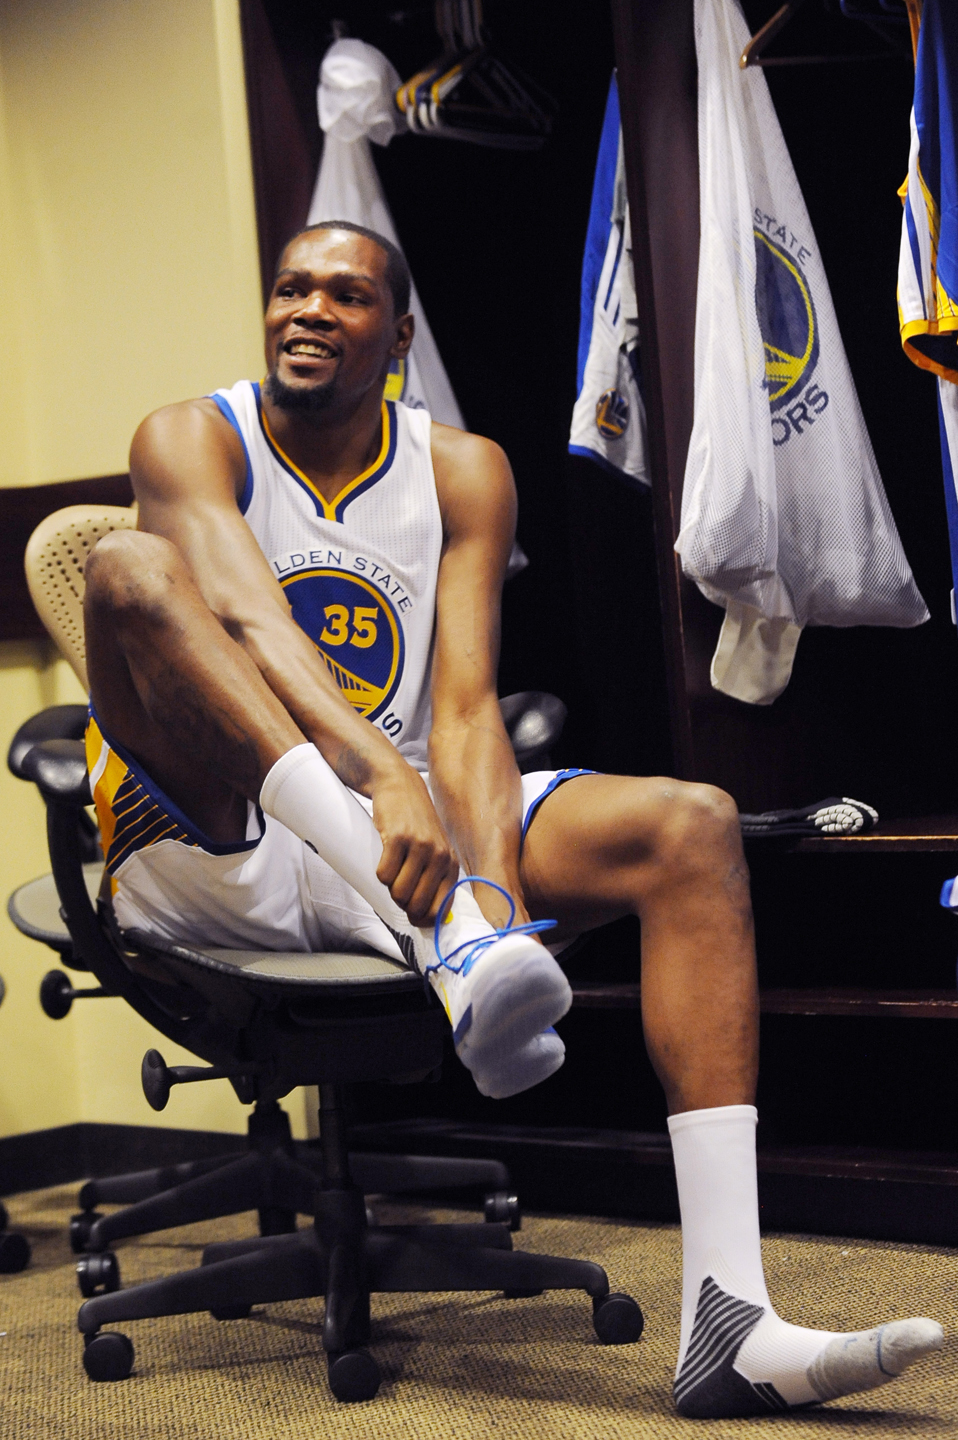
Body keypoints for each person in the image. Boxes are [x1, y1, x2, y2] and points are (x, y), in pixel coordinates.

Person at [82, 220, 941, 1417]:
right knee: (130, 567)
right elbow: (247, 616)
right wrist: (382, 774)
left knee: (690, 825)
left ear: (400, 333)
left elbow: (471, 705)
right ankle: (453, 951)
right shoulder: (189, 436)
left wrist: (484, 889)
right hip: (204, 829)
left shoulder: (460, 468)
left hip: (396, 835)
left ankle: (727, 1317)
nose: (307, 312)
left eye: (343, 294)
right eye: (290, 289)